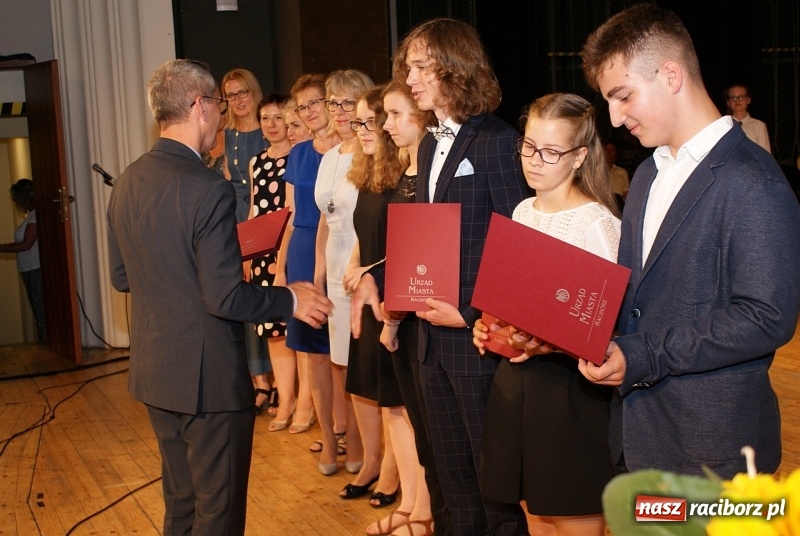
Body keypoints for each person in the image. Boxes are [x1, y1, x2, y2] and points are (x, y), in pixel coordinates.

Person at [106, 59, 332, 535]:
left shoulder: (127, 180)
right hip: (208, 378)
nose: (224, 118)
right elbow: (226, 297)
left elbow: (123, 276)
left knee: (182, 507)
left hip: (155, 373)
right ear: (200, 107)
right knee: (219, 515)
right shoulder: (206, 187)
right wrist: (291, 299)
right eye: (219, 106)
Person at [579, 4, 800, 479]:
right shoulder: (645, 175)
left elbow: (766, 318)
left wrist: (643, 354)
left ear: (672, 75)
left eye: (623, 97)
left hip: (713, 454)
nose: (614, 119)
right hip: (639, 437)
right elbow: (636, 299)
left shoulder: (753, 180)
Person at [352, 18, 529, 536]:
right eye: (408, 67)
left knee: (493, 485)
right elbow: (427, 239)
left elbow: (516, 244)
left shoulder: (498, 140)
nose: (411, 77)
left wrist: (473, 312)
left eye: (421, 66)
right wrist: (390, 289)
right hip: (429, 341)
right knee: (450, 482)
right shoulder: (428, 145)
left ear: (456, 68)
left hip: (475, 341)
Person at [472, 93, 620, 536]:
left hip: (570, 393)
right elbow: (511, 305)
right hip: (518, 386)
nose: (534, 161)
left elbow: (608, 325)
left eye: (550, 152)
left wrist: (547, 341)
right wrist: (488, 327)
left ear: (578, 157)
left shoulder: (597, 223)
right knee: (536, 515)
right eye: (529, 146)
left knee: (573, 516)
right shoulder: (521, 211)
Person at [284, 73, 354, 474]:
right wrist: (281, 268)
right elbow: (292, 218)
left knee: (341, 353)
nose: (311, 112)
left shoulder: (352, 150)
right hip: (304, 250)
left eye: (317, 103)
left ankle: (348, 432)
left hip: (339, 248)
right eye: (305, 106)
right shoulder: (299, 154)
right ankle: (329, 437)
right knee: (314, 353)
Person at [246, 94, 315, 433]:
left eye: (280, 119)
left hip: (288, 247)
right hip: (263, 251)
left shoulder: (299, 156)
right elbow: (255, 209)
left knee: (294, 328)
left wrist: (280, 258)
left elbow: (290, 213)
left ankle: (304, 399)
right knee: (272, 329)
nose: (273, 126)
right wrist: (247, 254)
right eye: (267, 119)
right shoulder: (256, 161)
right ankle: (285, 397)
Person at [0, 178, 46, 343]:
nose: (16, 203)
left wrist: (1, 248)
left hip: (35, 269)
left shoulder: (35, 216)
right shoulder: (30, 216)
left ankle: (47, 344)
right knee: (37, 311)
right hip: (28, 269)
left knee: (41, 312)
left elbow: (26, 244)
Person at [725, 84, 771, 153]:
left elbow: (766, 155)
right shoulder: (723, 125)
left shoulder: (759, 126)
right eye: (733, 98)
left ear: (748, 100)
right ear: (728, 102)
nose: (737, 101)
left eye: (741, 97)